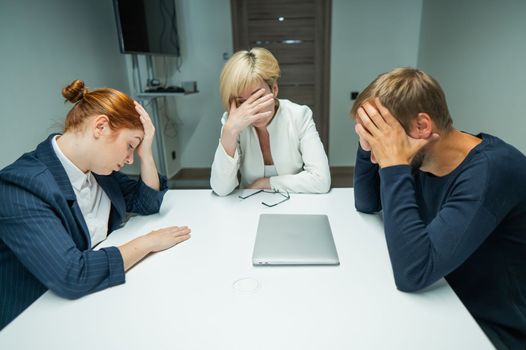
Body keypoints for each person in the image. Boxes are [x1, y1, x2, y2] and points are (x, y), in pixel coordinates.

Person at [351, 67, 526, 349]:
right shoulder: (423, 155)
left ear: (422, 126)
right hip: (444, 295)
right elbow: (368, 203)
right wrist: (366, 145)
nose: (375, 157)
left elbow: (414, 273)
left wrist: (394, 165)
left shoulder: (492, 171)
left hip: (489, 326)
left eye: (384, 139)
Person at [0, 80, 191, 330]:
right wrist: (147, 242)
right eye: (130, 146)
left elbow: (147, 202)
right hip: (32, 320)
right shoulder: (21, 187)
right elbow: (71, 274)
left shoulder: (96, 171)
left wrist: (147, 154)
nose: (130, 159)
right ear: (100, 126)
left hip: (93, 304)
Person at [210, 47, 331, 196]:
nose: (252, 110)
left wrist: (266, 183)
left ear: (274, 89)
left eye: (258, 98)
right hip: (249, 205)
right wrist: (230, 132)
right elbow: (221, 189)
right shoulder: (233, 123)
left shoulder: (299, 116)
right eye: (242, 102)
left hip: (296, 202)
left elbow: (321, 180)